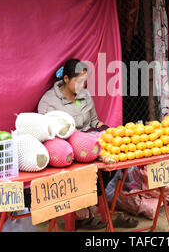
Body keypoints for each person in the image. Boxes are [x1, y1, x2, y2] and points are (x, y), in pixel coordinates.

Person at [38, 58, 138, 229]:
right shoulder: (49, 102)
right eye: (78, 81)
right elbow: (49, 132)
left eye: (84, 81)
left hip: (89, 142)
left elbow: (95, 122)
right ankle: (82, 209)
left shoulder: (85, 96)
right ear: (67, 79)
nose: (82, 86)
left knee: (112, 161)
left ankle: (94, 205)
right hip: (66, 147)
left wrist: (110, 133)